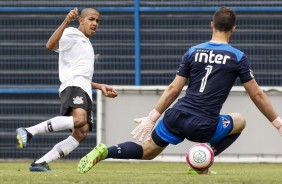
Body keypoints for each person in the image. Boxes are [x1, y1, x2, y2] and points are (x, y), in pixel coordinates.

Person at [76, 7, 282, 175]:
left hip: (175, 116)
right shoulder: (237, 57)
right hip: (203, 126)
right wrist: (277, 123)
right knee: (239, 120)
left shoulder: (193, 51)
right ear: (234, 29)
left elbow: (174, 89)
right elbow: (256, 94)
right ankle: (203, 159)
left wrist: (152, 118)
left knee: (147, 152)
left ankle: (106, 151)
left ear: (212, 25)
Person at [16, 7, 118, 172]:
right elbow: (50, 45)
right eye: (91, 19)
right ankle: (28, 131)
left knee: (81, 132)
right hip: (73, 86)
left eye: (97, 21)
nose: (95, 23)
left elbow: (81, 75)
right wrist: (66, 21)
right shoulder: (72, 33)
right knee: (80, 120)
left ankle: (40, 162)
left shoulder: (86, 43)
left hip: (83, 87)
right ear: (81, 20)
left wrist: (100, 86)